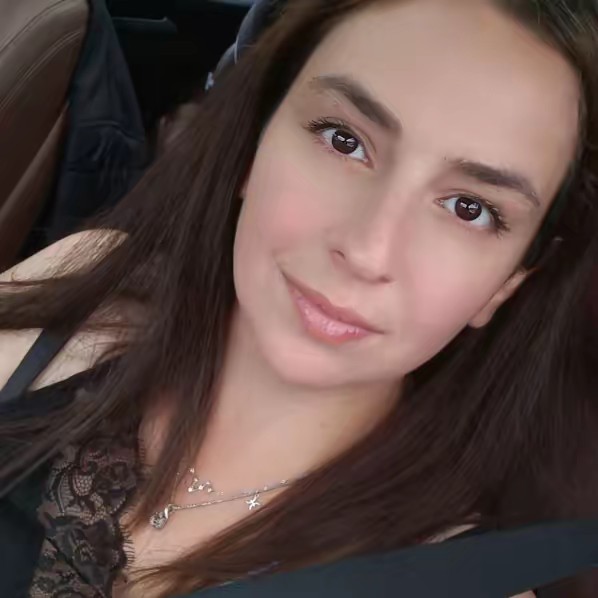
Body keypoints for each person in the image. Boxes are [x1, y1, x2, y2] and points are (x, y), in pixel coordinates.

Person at [0, 0, 597, 596]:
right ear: (253, 143)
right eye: (344, 141)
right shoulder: (88, 288)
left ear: (509, 281)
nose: (367, 251)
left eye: (470, 209)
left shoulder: (468, 583)